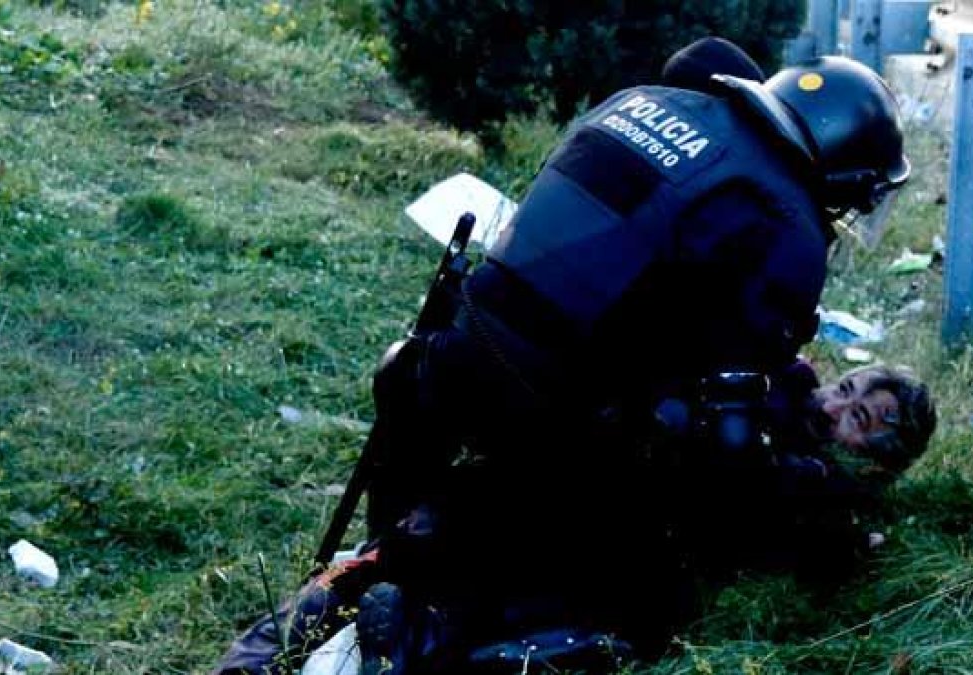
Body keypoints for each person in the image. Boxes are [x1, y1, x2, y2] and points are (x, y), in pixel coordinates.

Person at [213, 35, 916, 673]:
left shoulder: (650, 102)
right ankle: (428, 644)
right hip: (553, 416)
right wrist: (818, 533)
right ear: (849, 173)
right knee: (651, 603)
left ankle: (358, 591)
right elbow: (727, 437)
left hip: (447, 359)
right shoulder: (787, 223)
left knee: (462, 522)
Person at [212, 362, 936, 674]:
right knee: (393, 557)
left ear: (880, 460)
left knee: (454, 590)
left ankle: (396, 636)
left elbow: (795, 533)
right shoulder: (774, 387)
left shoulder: (819, 496)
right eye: (847, 391)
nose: (838, 409)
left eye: (862, 420)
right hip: (552, 494)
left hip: (595, 554)